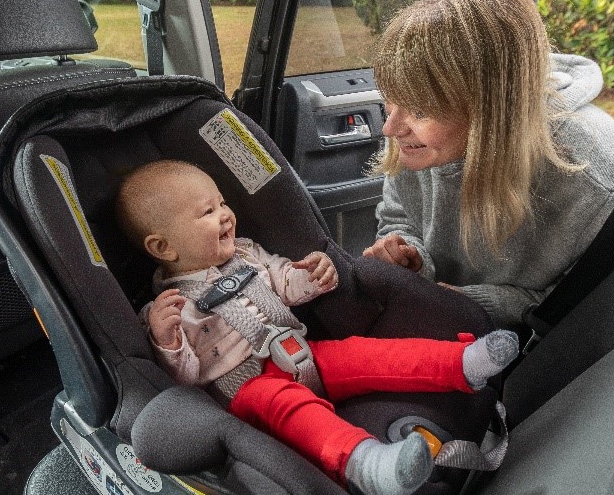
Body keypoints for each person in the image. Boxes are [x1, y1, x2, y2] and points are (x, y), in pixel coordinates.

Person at [115, 159, 519, 495]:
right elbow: (184, 378)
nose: (225, 214)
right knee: (294, 410)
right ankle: (368, 463)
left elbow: (286, 283)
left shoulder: (247, 253)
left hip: (300, 351)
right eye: (208, 212)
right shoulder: (168, 310)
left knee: (363, 353)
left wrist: (316, 276)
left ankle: (461, 362)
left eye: (222, 203)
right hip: (248, 391)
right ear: (163, 248)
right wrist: (166, 341)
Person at [362, 0, 614, 329]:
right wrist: (409, 256)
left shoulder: (598, 184)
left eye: (420, 111)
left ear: (490, 107)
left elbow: (585, 308)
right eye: (388, 101)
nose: (390, 129)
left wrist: (473, 304)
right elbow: (399, 217)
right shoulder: (418, 139)